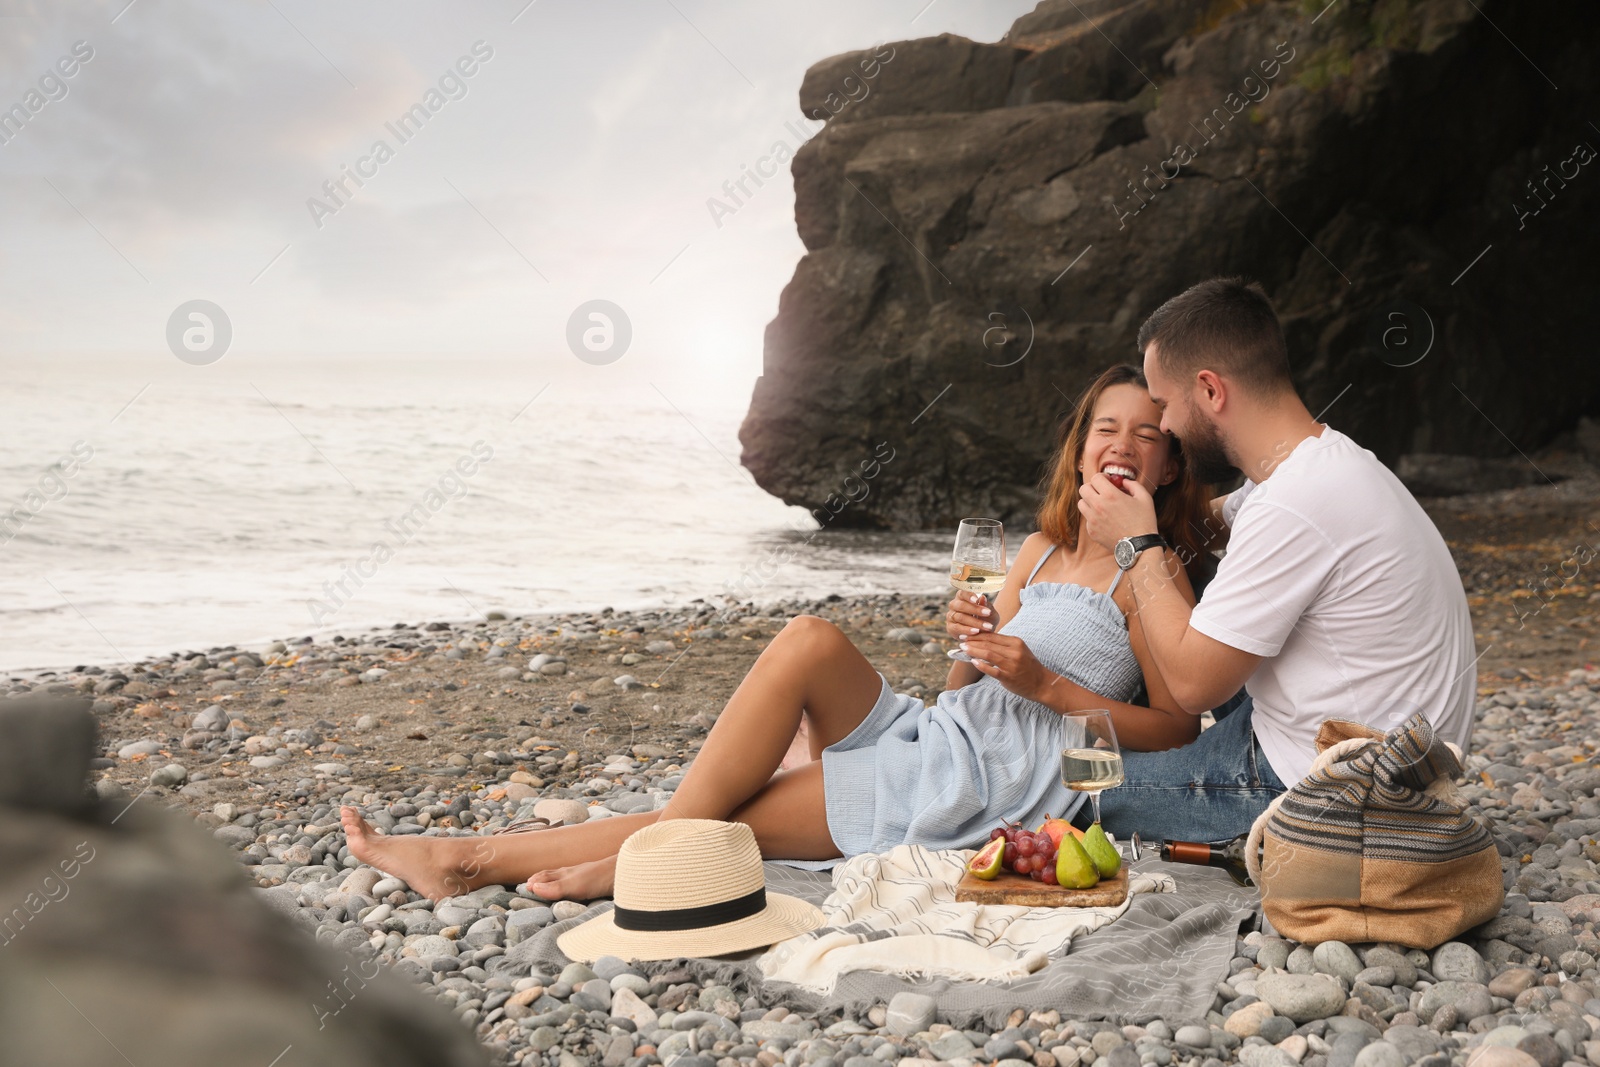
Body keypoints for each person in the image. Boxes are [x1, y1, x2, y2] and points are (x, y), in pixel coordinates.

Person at [339, 365, 1217, 901]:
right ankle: (641, 846)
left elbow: (1177, 725)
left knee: (736, 817)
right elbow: (964, 690)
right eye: (1107, 426)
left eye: (1149, 434)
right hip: (945, 731)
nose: (1125, 444)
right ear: (1080, 446)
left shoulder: (1155, 570)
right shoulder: (1036, 547)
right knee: (806, 637)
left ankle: (486, 860)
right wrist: (969, 644)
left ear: (1170, 462)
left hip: (1001, 780)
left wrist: (1046, 688)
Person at [1078, 277, 1477, 843]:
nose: (1163, 427)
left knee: (1079, 792)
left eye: (1164, 406)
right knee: (1202, 571)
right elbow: (1205, 524)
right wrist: (1138, 499)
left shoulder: (1295, 505)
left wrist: (1137, 544)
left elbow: (1194, 687)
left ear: (1211, 390)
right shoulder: (1317, 465)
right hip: (1379, 745)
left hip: (1338, 788)